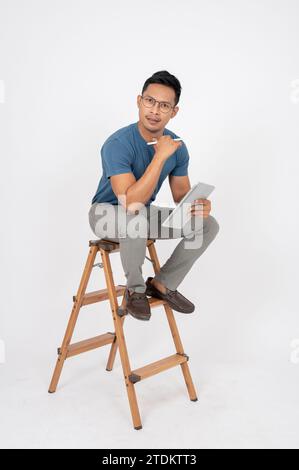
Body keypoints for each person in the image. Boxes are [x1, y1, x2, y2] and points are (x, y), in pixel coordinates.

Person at [89, 70, 220, 321]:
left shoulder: (177, 146)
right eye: (150, 101)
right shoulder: (117, 143)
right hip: (105, 212)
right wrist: (159, 157)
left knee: (208, 225)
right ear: (139, 101)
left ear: (174, 111)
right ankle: (134, 291)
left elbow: (181, 196)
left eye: (164, 105)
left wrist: (198, 206)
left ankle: (162, 284)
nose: (155, 110)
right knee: (135, 218)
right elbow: (130, 202)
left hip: (141, 213)